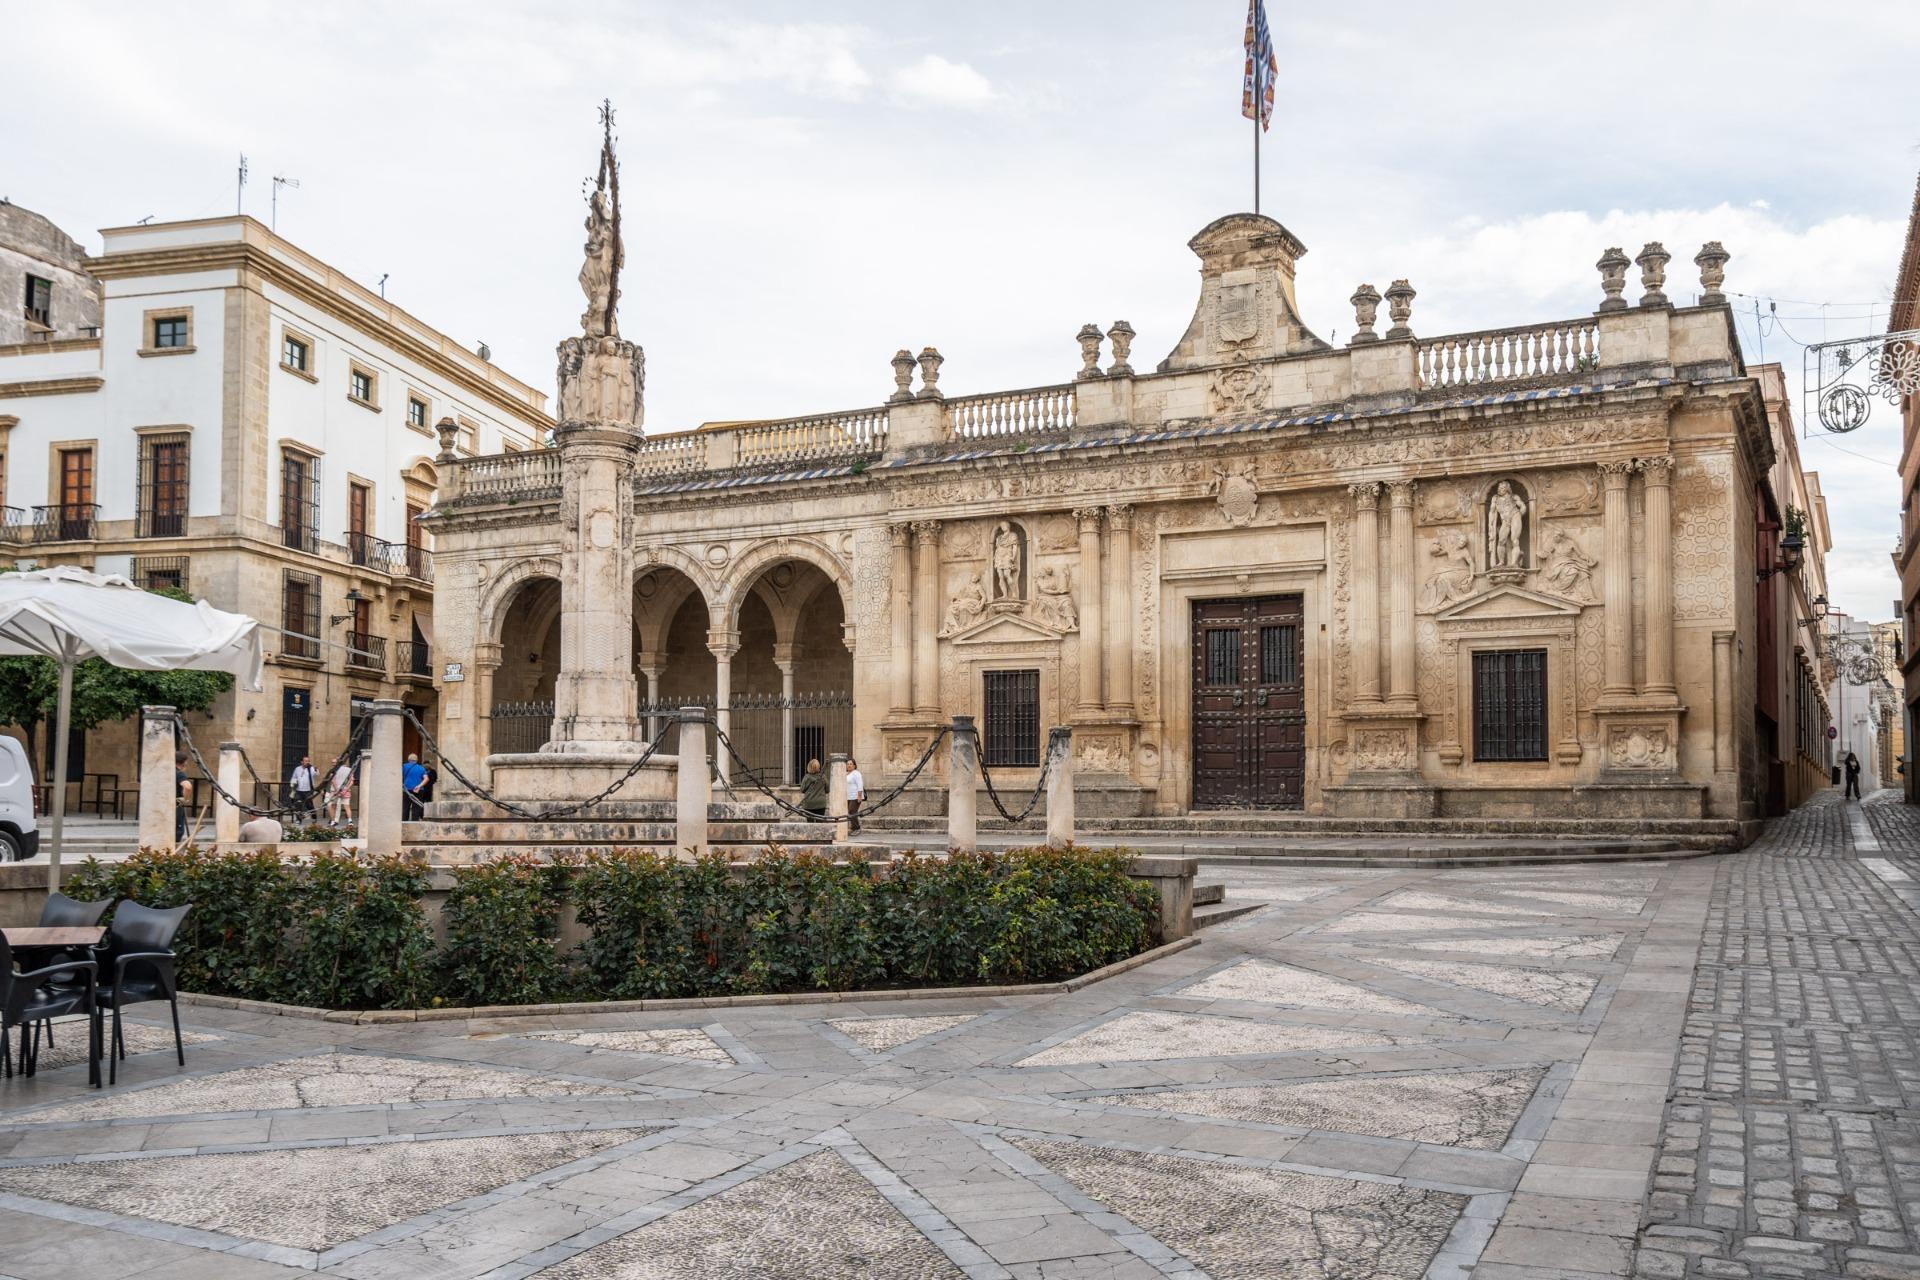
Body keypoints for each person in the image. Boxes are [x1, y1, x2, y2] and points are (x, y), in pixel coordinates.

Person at [288, 755, 318, 820]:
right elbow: (294, 777)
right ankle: (298, 820)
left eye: (308, 761)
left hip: (308, 790)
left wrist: (315, 769)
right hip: (299, 790)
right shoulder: (297, 769)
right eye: (305, 761)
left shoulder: (311, 768)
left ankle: (314, 818)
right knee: (298, 805)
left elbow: (316, 774)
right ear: (302, 762)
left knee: (309, 805)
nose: (307, 762)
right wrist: (293, 784)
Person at [326, 759, 354, 826]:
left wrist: (337, 790)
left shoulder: (334, 770)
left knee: (332, 806)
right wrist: (347, 788)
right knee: (347, 806)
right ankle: (350, 821)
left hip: (335, 791)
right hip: (345, 791)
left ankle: (333, 821)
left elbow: (333, 781)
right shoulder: (349, 770)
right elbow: (352, 781)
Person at [403, 752, 428, 820]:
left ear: (408, 759)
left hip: (407, 790)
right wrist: (419, 786)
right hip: (418, 790)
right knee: (416, 808)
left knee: (405, 807)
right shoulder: (421, 768)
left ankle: (404, 823)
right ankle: (414, 823)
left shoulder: (404, 766)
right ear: (416, 760)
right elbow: (426, 779)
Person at [175, 751, 193, 843]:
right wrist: (185, 799)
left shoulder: (166, 772)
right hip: (176, 804)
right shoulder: (179, 773)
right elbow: (187, 786)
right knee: (177, 831)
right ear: (183, 762)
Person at [845, 757, 865, 834]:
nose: (849, 765)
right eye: (848, 764)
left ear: (854, 765)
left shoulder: (856, 773)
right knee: (851, 812)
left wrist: (859, 796)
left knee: (852, 811)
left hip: (855, 796)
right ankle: (853, 828)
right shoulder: (847, 774)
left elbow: (860, 784)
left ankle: (857, 828)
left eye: (851, 764)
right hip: (848, 797)